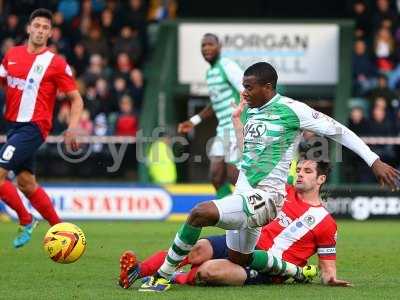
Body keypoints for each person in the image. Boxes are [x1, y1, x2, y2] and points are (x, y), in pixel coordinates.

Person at [139, 62, 400, 292]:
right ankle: (297, 272)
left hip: (267, 198)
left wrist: (374, 160)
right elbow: (247, 154)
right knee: (240, 257)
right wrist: (238, 124)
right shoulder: (251, 109)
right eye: (243, 86)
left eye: (249, 87)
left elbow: (339, 131)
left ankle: (162, 277)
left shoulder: (293, 110)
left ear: (268, 86)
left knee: (199, 213)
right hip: (245, 192)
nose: (244, 92)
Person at [119, 159, 351, 288]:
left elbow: (327, 269)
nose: (300, 174)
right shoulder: (282, 190)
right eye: (298, 169)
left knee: (209, 271)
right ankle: (137, 271)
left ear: (321, 179)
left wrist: (331, 279)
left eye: (307, 171)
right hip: (244, 242)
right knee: (198, 248)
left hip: (267, 267)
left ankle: (171, 277)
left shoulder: (326, 222)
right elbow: (244, 173)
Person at [0, 8, 83, 248]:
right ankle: (63, 231)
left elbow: (76, 98)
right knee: (26, 184)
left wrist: (72, 127)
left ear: (50, 33)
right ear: (28, 28)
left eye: (45, 27)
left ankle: (26, 220)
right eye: (36, 26)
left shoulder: (55, 63)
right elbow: (5, 81)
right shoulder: (11, 55)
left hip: (34, 127)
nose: (40, 30)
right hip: (13, 127)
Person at [178, 33, 243, 199]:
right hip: (223, 129)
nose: (206, 48)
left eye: (210, 44)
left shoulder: (226, 65)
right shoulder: (210, 73)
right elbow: (215, 102)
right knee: (215, 176)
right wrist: (194, 121)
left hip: (235, 127)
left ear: (219, 46)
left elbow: (246, 90)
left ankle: (257, 210)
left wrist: (244, 118)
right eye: (203, 45)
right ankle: (232, 216)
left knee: (233, 176)